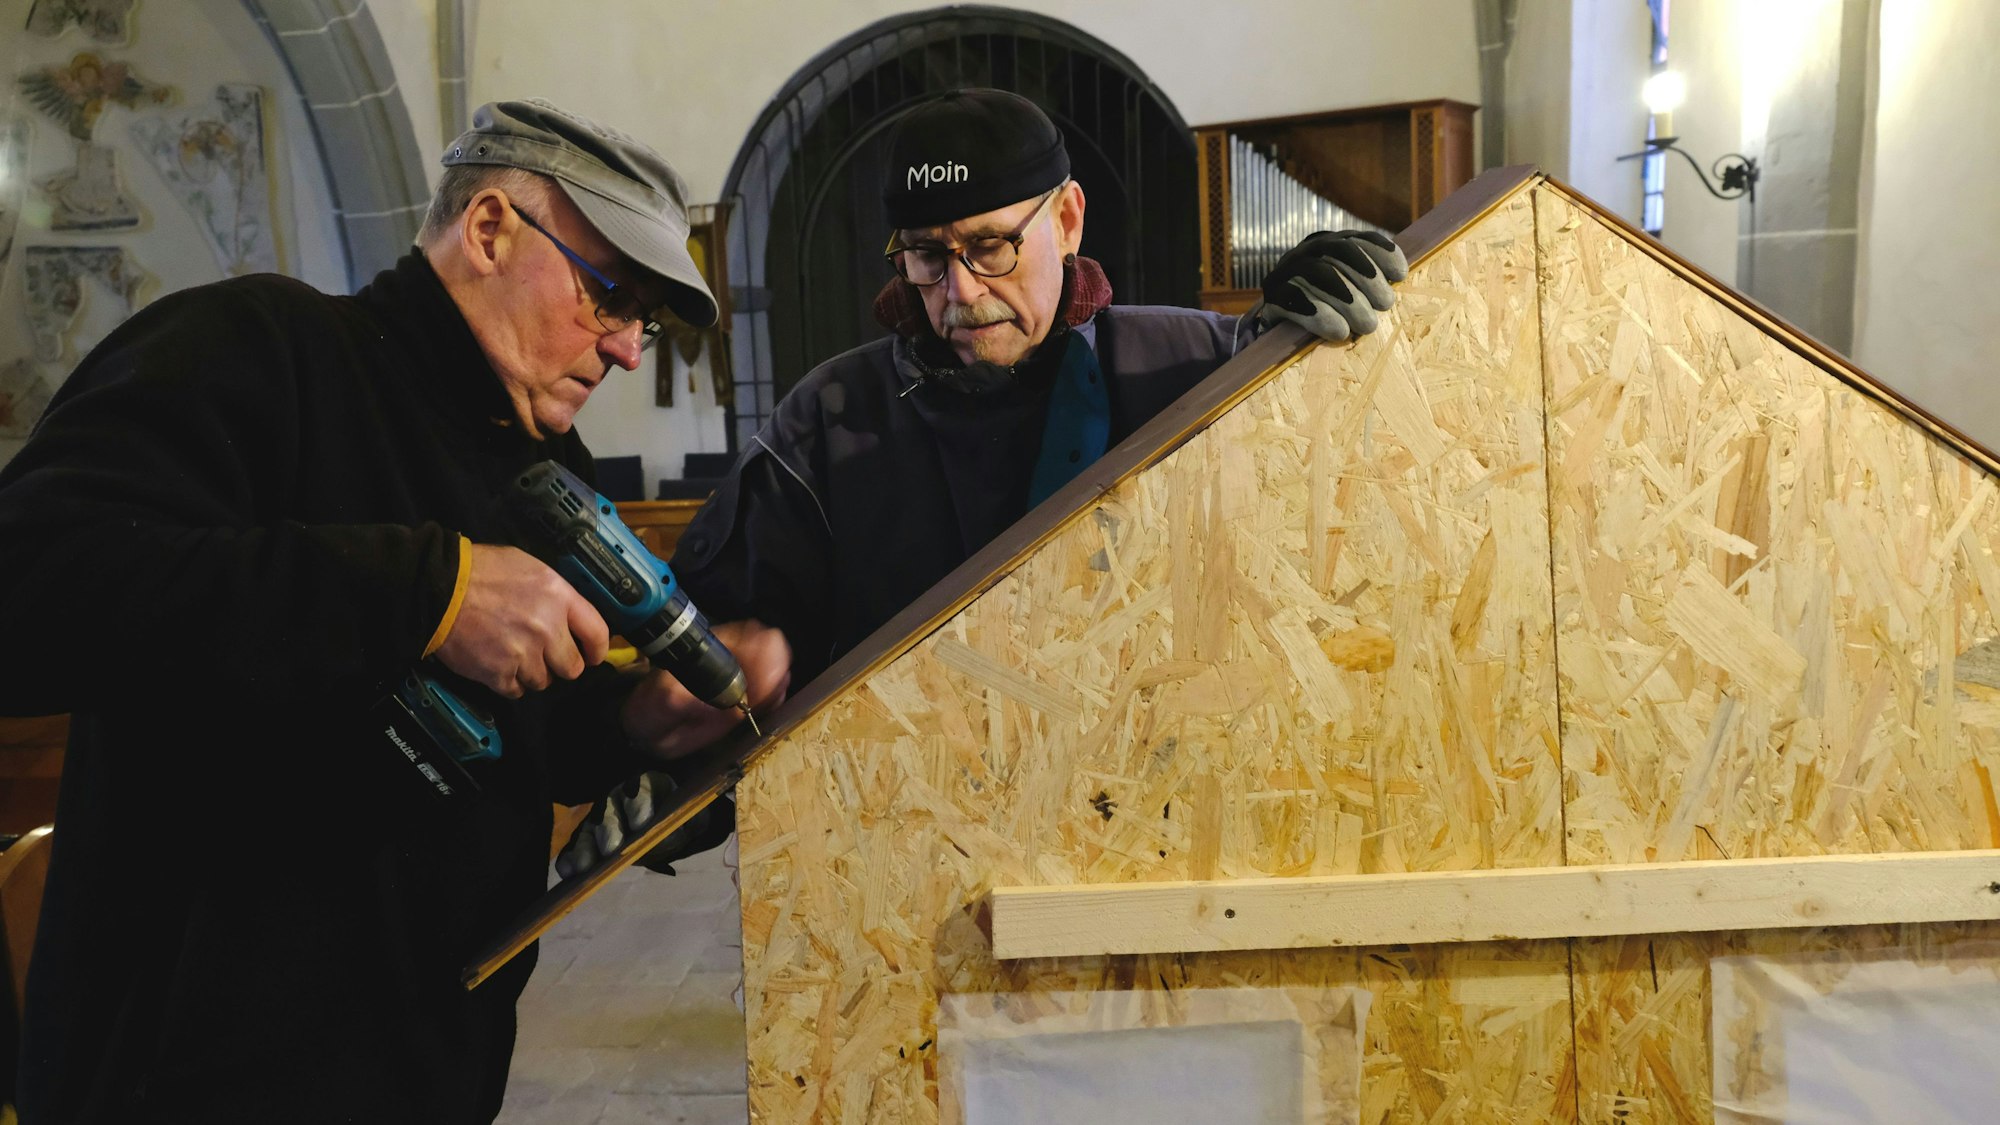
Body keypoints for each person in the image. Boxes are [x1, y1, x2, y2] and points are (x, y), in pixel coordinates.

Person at [0, 99, 787, 1123]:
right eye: (609, 297)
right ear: (493, 228)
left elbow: (519, 739)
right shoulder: (259, 349)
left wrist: (635, 723)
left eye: (645, 319)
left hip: (427, 1074)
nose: (630, 349)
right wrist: (428, 593)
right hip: (191, 1078)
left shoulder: (545, 471)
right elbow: (31, 590)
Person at [557, 87, 1404, 872]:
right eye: (927, 256)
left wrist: (1306, 361)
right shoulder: (825, 425)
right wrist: (686, 779)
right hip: (915, 877)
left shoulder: (1198, 370)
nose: (959, 291)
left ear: (1067, 219)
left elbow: (1339, 553)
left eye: (991, 245)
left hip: (1178, 853)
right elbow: (731, 658)